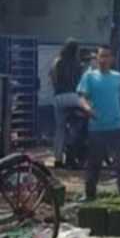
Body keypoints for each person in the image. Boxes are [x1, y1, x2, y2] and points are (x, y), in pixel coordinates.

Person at [76, 45, 120, 199]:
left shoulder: (118, 77)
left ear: (112, 59)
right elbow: (81, 97)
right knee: (94, 165)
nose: (103, 60)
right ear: (97, 58)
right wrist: (87, 108)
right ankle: (89, 195)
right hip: (97, 127)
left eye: (107, 56)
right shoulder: (89, 77)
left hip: (116, 126)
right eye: (101, 56)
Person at [49, 39, 84, 168]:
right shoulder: (78, 64)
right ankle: (71, 155)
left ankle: (58, 160)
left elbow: (53, 78)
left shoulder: (57, 62)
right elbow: (81, 84)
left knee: (60, 129)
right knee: (78, 125)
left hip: (59, 97)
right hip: (73, 97)